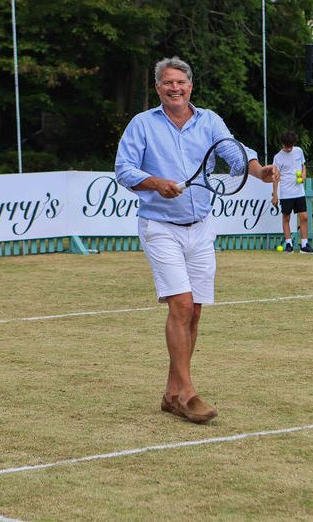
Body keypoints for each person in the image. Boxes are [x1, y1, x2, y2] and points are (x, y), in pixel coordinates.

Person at [115, 56, 279, 423]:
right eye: (168, 83)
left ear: (191, 87)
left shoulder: (209, 121)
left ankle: (171, 393)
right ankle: (188, 395)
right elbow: (123, 170)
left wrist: (259, 172)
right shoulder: (142, 124)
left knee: (196, 310)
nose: (175, 88)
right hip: (159, 225)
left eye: (181, 83)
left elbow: (236, 154)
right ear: (157, 87)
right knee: (181, 306)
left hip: (201, 226)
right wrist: (155, 183)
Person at [271, 130, 313, 253]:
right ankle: (288, 245)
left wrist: (304, 175)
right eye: (287, 146)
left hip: (299, 191)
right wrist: (275, 195)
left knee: (304, 217)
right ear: (282, 144)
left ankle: (304, 245)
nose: (290, 149)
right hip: (286, 192)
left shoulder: (299, 151)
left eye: (291, 146)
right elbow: (275, 177)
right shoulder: (278, 157)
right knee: (286, 218)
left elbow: (303, 165)